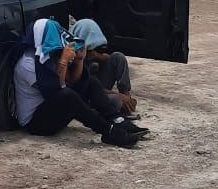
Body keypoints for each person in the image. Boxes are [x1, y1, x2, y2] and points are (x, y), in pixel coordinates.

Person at [13, 18, 146, 147]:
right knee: (68, 95)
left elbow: (73, 81)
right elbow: (57, 91)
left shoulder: (46, 57)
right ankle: (108, 131)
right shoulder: (27, 64)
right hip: (36, 124)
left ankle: (118, 120)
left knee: (91, 82)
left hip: (52, 111)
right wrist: (63, 62)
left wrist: (79, 60)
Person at [71, 19, 138, 117]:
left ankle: (126, 95)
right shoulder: (74, 58)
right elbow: (90, 86)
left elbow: (109, 58)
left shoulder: (94, 54)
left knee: (118, 56)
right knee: (116, 102)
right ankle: (122, 102)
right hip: (88, 95)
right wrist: (118, 95)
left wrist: (98, 56)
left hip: (102, 88)